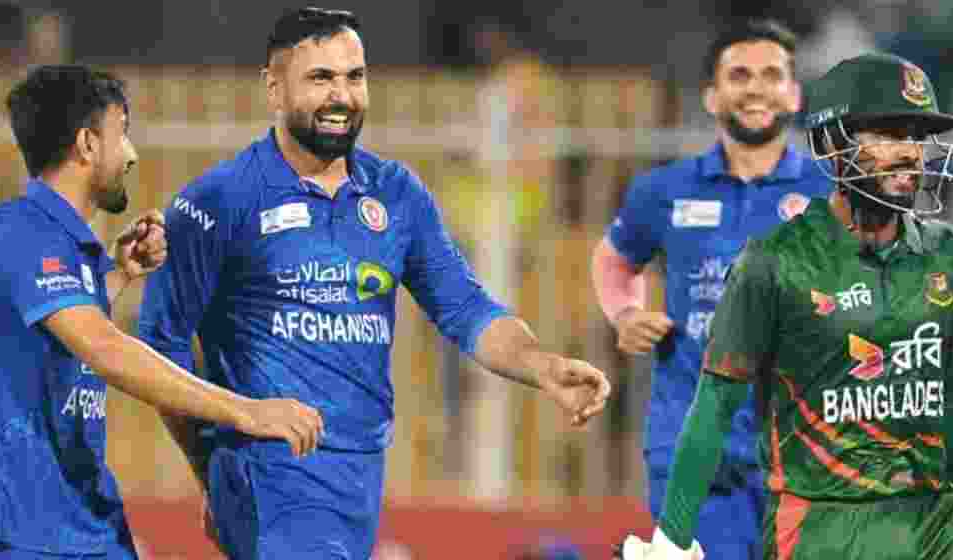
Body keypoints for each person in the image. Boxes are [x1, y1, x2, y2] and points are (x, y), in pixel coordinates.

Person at [136, 7, 611, 560]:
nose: (342, 95)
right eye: (320, 78)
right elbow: (158, 348)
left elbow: (463, 306)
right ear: (273, 86)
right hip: (271, 477)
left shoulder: (395, 193)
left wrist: (542, 366)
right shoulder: (218, 201)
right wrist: (211, 466)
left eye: (354, 77)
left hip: (359, 475)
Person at [0, 65, 325, 560]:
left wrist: (115, 277)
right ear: (87, 144)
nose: (133, 154)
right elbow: (103, 348)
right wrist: (248, 412)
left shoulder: (64, 249)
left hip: (78, 523)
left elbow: (53, 346)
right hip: (15, 529)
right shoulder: (23, 232)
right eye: (124, 134)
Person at [616, 52, 953, 560]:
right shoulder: (773, 261)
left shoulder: (946, 251)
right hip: (820, 526)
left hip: (933, 519)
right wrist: (671, 541)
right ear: (831, 146)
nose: (909, 153)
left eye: (916, 135)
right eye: (888, 134)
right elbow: (714, 408)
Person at [591, 19, 831, 559]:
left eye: (772, 74)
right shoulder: (664, 190)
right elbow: (612, 259)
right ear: (711, 94)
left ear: (794, 93)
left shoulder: (831, 193)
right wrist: (626, 315)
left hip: (803, 449)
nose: (755, 88)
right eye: (739, 74)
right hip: (693, 446)